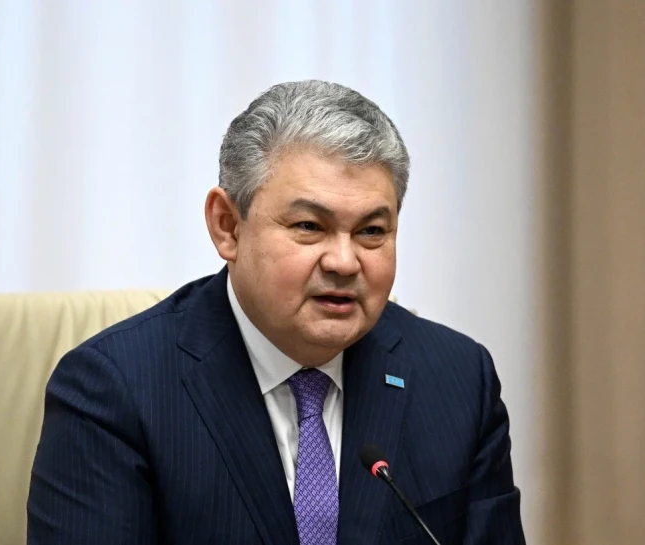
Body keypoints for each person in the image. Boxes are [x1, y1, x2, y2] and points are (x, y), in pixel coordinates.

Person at [27, 80, 525, 544]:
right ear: (228, 226)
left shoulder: (458, 379)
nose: (344, 262)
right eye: (309, 226)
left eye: (372, 231)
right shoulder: (113, 392)